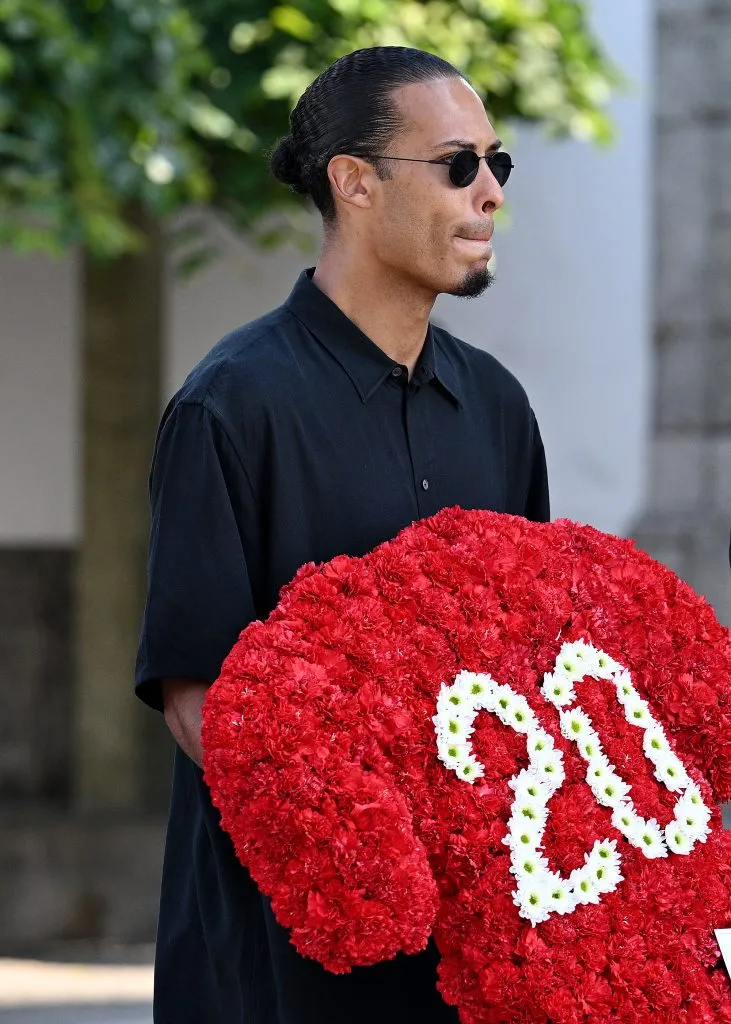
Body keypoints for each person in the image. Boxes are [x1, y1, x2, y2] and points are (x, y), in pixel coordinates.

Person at [135, 46, 550, 1024]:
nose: (488, 191)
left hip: (463, 962)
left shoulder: (496, 407)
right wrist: (370, 846)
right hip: (280, 962)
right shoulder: (230, 406)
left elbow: (532, 673)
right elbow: (198, 700)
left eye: (498, 164)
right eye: (457, 164)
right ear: (354, 183)